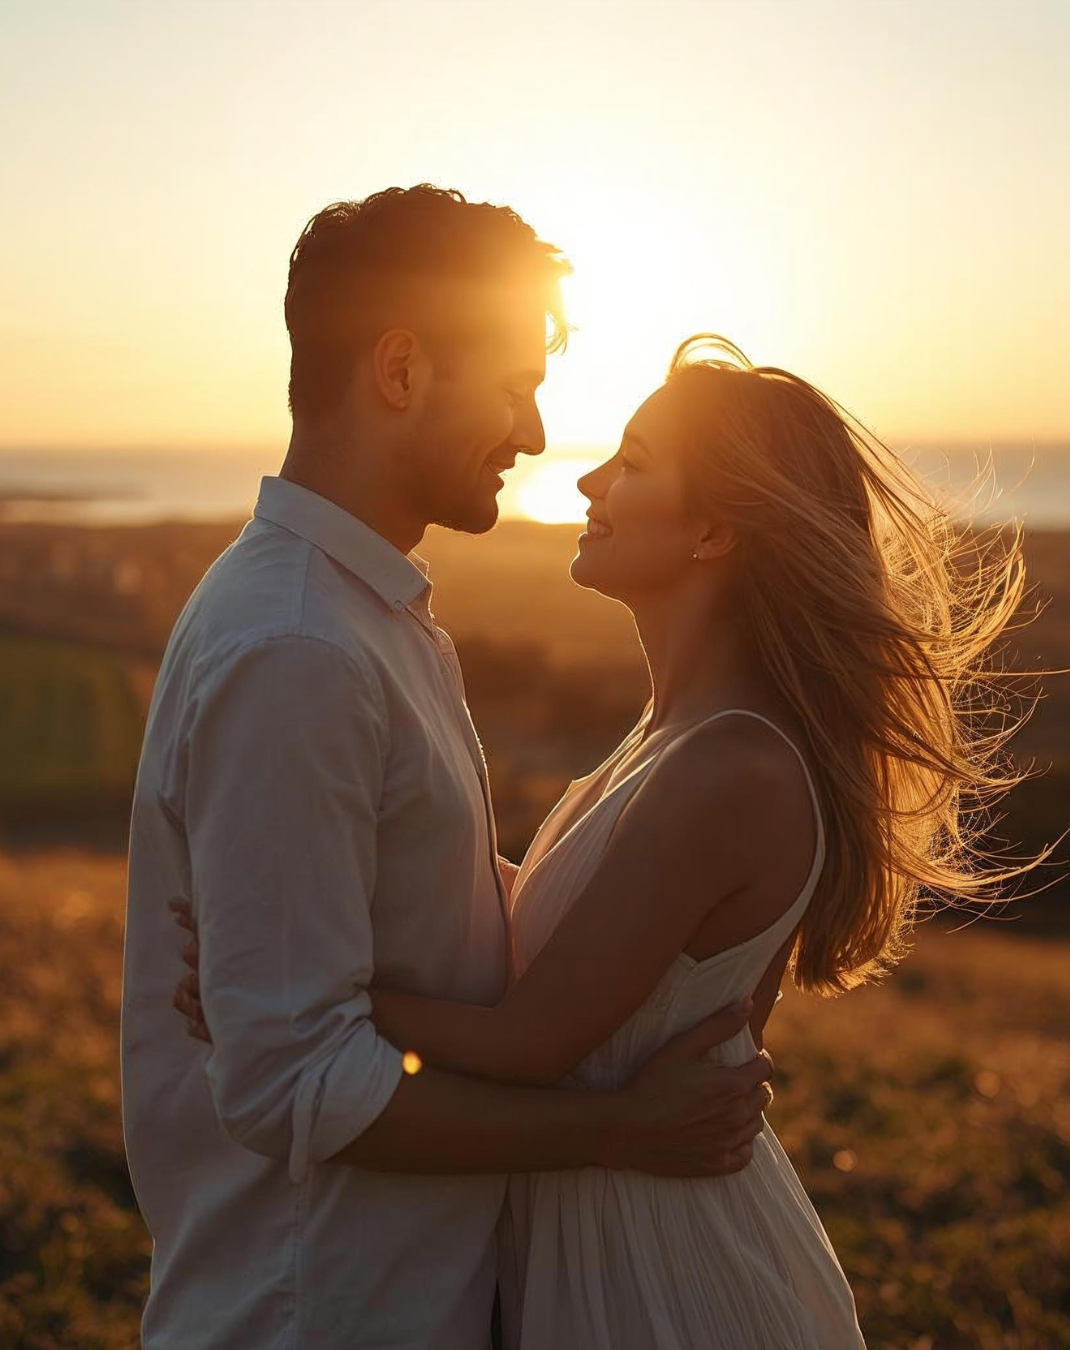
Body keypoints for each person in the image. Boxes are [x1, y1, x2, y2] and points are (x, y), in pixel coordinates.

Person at [175, 329, 1039, 1349]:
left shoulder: (731, 768)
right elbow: (561, 924)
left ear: (714, 530)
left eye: (631, 464)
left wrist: (287, 992)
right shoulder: (670, 735)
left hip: (669, 1267)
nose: (585, 479)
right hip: (600, 1228)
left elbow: (529, 1041)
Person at [121, 187, 774, 1350]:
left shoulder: (366, 619)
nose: (533, 435)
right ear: (404, 370)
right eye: (518, 384)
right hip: (314, 1312)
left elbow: (409, 916)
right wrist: (618, 1129)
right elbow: (292, 1083)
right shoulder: (300, 650)